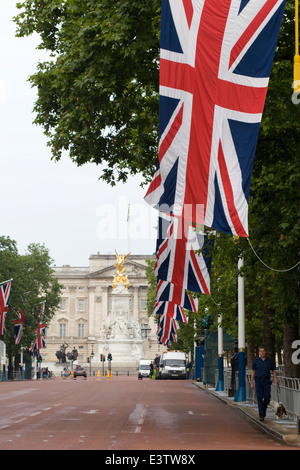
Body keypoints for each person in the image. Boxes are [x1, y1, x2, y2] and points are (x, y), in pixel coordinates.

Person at [250, 347, 278, 421]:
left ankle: (263, 410)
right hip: (258, 380)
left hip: (266, 381)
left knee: (267, 398)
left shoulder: (269, 361)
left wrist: (275, 378)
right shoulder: (255, 361)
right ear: (259, 352)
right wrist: (251, 383)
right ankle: (261, 415)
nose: (262, 353)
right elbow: (253, 372)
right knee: (259, 398)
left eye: (263, 351)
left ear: (265, 352)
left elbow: (273, 370)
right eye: (260, 351)